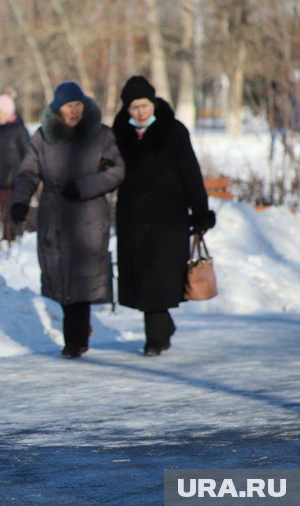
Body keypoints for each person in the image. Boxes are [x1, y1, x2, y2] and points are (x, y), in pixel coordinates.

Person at [9, 81, 124, 358]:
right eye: (68, 106)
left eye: (77, 105)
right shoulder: (42, 137)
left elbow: (117, 171)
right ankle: (79, 329)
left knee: (81, 279)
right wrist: (20, 201)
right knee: (59, 277)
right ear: (57, 110)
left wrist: (85, 186)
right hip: (54, 217)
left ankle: (75, 339)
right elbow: (27, 172)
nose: (74, 111)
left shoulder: (101, 135)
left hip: (88, 215)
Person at [111, 75, 215, 356]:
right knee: (141, 275)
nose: (140, 112)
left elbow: (190, 173)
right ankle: (162, 326)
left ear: (154, 103)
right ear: (126, 109)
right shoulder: (119, 133)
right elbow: (108, 171)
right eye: (134, 108)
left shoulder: (173, 131)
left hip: (168, 217)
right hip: (132, 217)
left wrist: (201, 212)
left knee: (159, 275)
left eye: (144, 105)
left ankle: (155, 339)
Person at [0, 93, 31, 242]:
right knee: (4, 218)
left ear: (8, 112)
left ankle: (17, 243)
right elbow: (2, 160)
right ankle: (7, 243)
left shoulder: (19, 131)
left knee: (14, 217)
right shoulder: (1, 132)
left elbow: (29, 157)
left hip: (16, 184)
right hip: (3, 184)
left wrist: (23, 179)